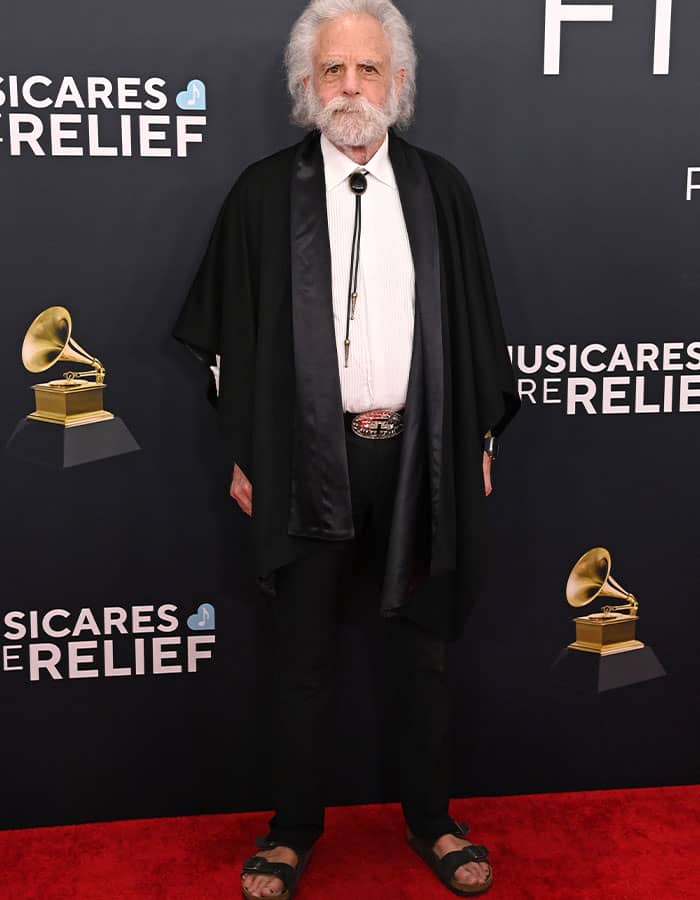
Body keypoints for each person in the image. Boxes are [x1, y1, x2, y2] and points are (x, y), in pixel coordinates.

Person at [173, 1, 520, 896]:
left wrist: (478, 436)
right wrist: (248, 451)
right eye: (333, 70)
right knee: (301, 659)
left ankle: (434, 821)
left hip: (420, 455)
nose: (352, 87)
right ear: (306, 85)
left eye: (369, 68)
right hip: (303, 458)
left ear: (399, 82)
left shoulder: (441, 189)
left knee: (422, 655)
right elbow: (229, 343)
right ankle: (291, 831)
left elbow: (476, 329)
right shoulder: (262, 195)